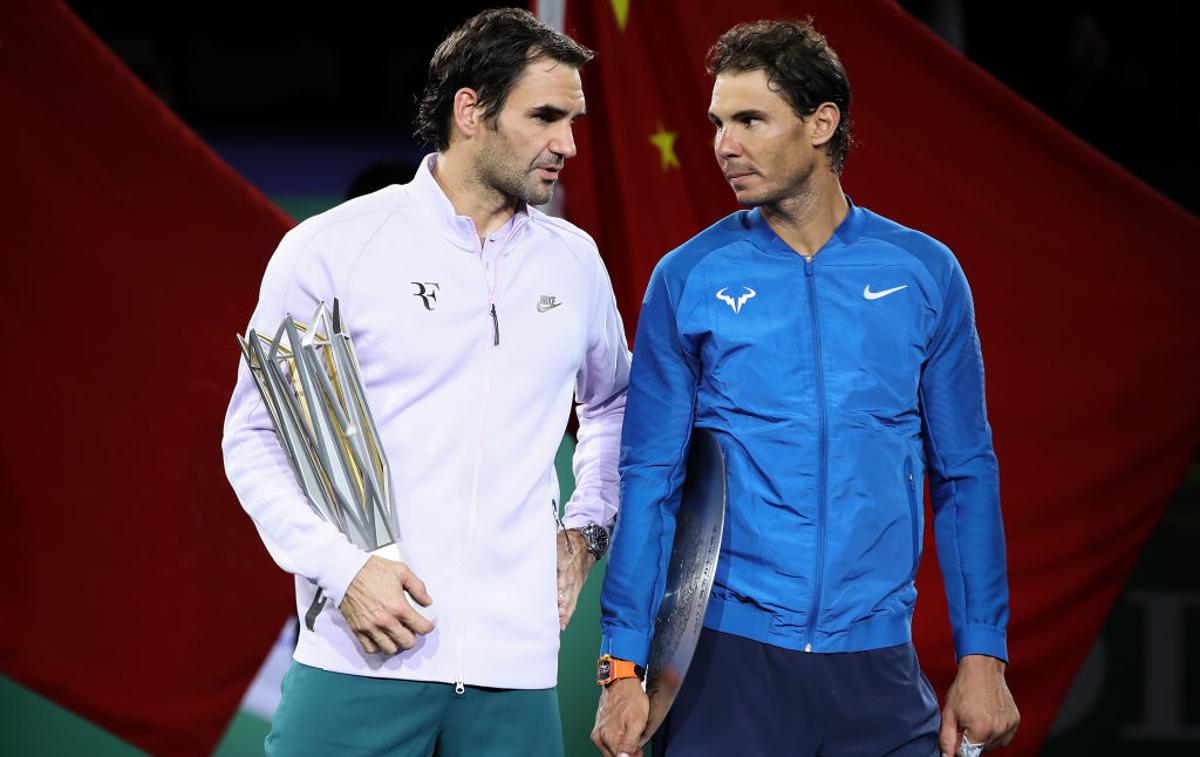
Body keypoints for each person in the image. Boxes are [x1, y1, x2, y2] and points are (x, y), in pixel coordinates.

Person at [592, 19, 1018, 757]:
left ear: (823, 124)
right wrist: (621, 664)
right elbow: (650, 481)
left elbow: (966, 474)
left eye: (751, 120)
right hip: (727, 667)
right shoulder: (686, 278)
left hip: (879, 671)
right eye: (719, 123)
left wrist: (983, 651)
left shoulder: (927, 272)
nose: (726, 143)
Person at [223, 9, 630, 756]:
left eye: (572, 120)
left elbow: (612, 406)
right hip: (361, 655)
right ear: (469, 110)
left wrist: (585, 529)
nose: (567, 144)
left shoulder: (574, 262)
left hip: (519, 668)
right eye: (544, 116)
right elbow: (252, 439)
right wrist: (343, 572)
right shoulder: (331, 247)